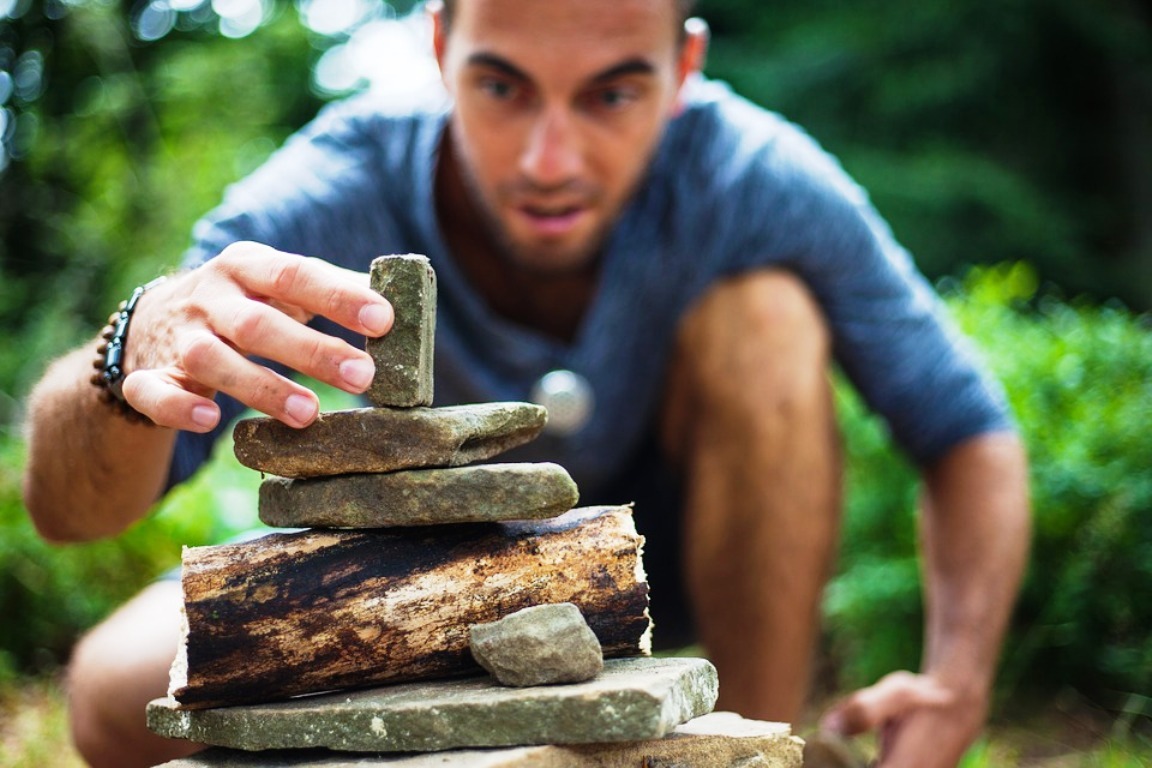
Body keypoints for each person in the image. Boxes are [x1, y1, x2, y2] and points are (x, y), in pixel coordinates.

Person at [21, 1, 1031, 766]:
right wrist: (127, 354)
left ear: (683, 69)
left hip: (674, 574)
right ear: (438, 52)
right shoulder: (341, 181)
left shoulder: (753, 177)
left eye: (610, 94)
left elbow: (964, 427)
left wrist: (959, 680)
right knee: (115, 692)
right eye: (501, 86)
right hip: (411, 584)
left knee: (768, 321)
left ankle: (739, 749)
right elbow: (70, 511)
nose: (551, 159)